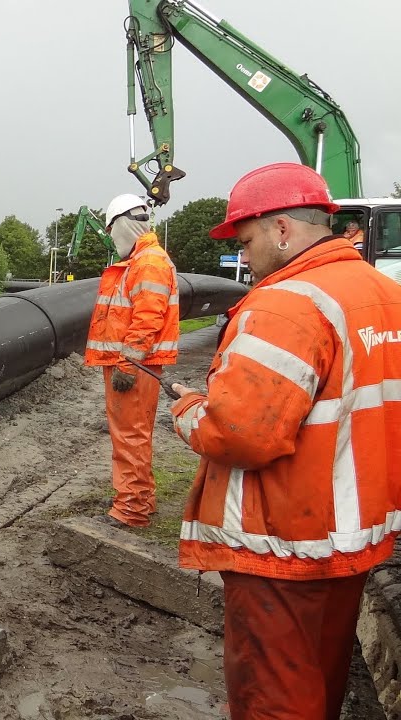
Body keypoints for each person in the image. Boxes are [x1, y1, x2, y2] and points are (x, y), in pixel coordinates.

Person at [168, 162, 401, 719]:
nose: (243, 258)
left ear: (280, 229)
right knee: (319, 677)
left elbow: (239, 432)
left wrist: (187, 410)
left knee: (272, 696)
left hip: (281, 542)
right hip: (351, 534)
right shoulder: (381, 292)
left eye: (245, 242)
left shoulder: (288, 303)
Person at [85, 193, 180, 528]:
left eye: (112, 231)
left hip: (134, 367)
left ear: (123, 225)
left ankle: (131, 510)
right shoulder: (144, 260)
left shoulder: (147, 263)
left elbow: (147, 318)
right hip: (134, 364)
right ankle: (142, 500)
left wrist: (126, 365)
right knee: (134, 434)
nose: (112, 239)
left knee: (130, 437)